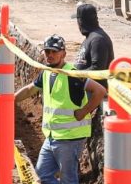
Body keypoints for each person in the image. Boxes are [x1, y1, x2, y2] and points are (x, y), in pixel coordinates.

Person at [15, 34, 106, 184]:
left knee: (68, 180)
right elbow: (30, 89)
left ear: (63, 53)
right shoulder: (46, 71)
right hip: (51, 136)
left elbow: (100, 91)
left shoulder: (72, 74)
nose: (50, 55)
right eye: (47, 51)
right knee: (42, 176)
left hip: (70, 139)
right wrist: (10, 99)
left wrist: (84, 111)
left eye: (54, 52)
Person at [73, 3, 114, 178]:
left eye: (78, 21)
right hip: (83, 90)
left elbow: (98, 69)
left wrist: (77, 76)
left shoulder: (98, 40)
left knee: (74, 134)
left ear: (81, 22)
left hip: (93, 93)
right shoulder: (91, 37)